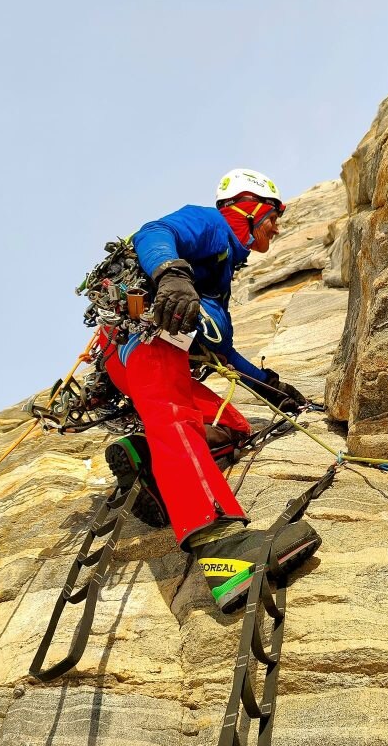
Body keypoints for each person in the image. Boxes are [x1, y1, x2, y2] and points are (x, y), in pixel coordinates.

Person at [98, 169, 319, 614]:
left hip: (138, 358)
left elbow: (225, 353)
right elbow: (154, 232)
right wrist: (172, 275)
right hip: (146, 342)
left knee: (231, 426)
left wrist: (272, 389)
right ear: (249, 206)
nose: (276, 227)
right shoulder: (211, 225)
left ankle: (148, 463)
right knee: (175, 416)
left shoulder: (219, 274)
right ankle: (224, 550)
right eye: (273, 215)